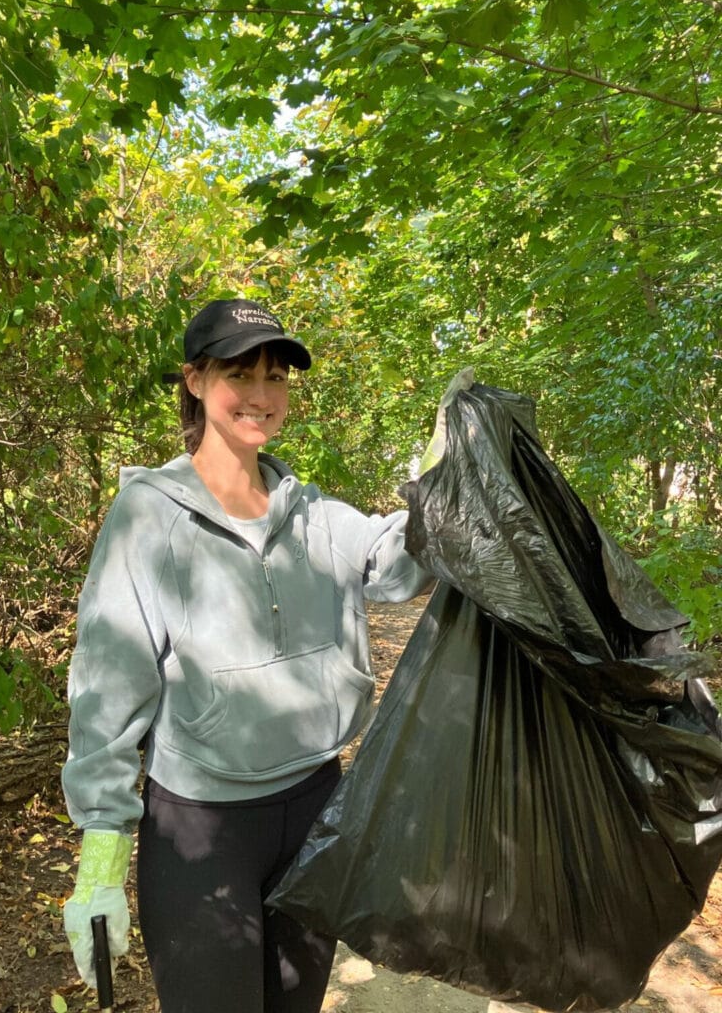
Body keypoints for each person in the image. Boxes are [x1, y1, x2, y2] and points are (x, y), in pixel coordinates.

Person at [61, 298, 433, 1013]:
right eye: (241, 373)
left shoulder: (314, 513)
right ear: (196, 381)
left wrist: (454, 487)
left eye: (277, 377)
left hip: (318, 809)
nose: (262, 395)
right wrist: (101, 857)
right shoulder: (148, 517)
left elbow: (398, 564)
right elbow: (110, 683)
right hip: (202, 828)